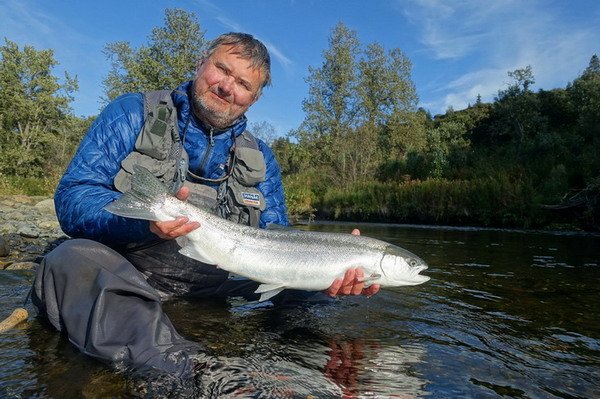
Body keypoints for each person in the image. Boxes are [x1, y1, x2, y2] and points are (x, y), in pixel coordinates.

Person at [31, 32, 379, 377]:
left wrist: (332, 259)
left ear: (253, 99)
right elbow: (74, 196)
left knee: (310, 288)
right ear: (201, 64)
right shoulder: (131, 113)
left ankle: (297, 364)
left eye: (243, 83)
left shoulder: (261, 157)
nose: (228, 87)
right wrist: (144, 223)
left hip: (220, 274)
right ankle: (191, 370)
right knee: (68, 260)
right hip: (133, 269)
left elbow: (277, 233)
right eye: (222, 70)